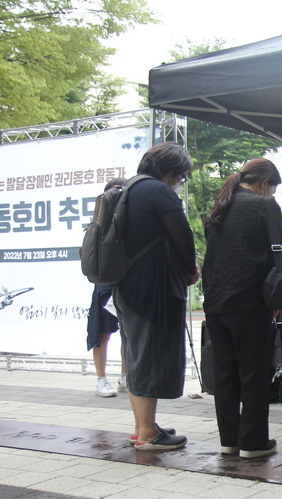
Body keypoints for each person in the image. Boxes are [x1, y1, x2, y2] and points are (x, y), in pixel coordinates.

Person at [114, 142, 198, 451]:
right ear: (171, 171)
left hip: (125, 286)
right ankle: (148, 432)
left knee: (136, 354)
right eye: (180, 175)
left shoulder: (129, 188)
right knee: (148, 355)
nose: (180, 181)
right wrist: (191, 268)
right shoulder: (159, 192)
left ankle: (141, 427)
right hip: (151, 288)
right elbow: (182, 234)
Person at [202, 158, 282, 458]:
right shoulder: (265, 206)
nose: (271, 193)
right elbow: (278, 253)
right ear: (264, 183)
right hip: (250, 301)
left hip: (216, 301)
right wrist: (277, 301)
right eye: (272, 188)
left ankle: (229, 440)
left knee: (225, 373)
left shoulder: (221, 204)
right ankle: (253, 443)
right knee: (254, 373)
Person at [87, 178, 128, 398]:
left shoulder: (130, 219)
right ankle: (101, 379)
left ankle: (125, 376)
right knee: (102, 333)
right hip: (104, 285)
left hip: (126, 282)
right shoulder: (98, 223)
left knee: (128, 333)